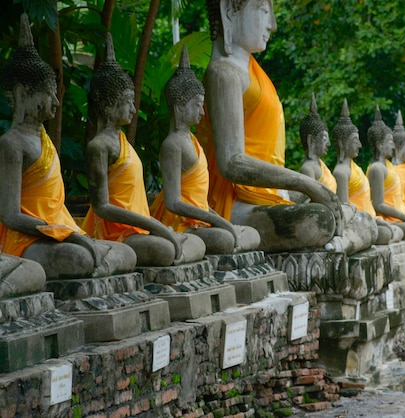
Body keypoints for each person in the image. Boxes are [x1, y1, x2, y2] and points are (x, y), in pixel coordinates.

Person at [199, 0, 343, 252]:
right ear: (230, 11)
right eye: (264, 11)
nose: (272, 25)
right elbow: (231, 162)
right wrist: (306, 183)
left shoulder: (252, 72)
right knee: (317, 221)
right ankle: (341, 242)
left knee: (349, 211)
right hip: (232, 201)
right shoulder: (224, 74)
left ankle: (344, 241)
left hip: (265, 195)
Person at [0, 14, 136, 280]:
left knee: (127, 254)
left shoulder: (44, 140)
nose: (55, 102)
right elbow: (10, 215)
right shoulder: (11, 143)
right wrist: (65, 233)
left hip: (61, 232)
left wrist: (70, 233)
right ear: (21, 94)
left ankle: (91, 263)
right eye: (48, 94)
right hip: (26, 239)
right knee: (79, 258)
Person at [83, 34, 205, 267]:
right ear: (108, 106)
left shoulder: (123, 143)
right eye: (127, 102)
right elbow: (102, 206)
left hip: (141, 228)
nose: (134, 108)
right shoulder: (99, 146)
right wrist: (154, 225)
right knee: (166, 250)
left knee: (193, 243)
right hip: (117, 233)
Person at [150, 45, 260, 254]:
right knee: (224, 239)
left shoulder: (191, 141)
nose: (202, 111)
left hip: (199, 220)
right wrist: (216, 221)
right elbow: (173, 202)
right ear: (179, 107)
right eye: (197, 105)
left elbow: (198, 201)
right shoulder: (172, 145)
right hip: (180, 223)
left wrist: (218, 219)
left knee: (252, 234)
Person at [297, 94, 377, 254]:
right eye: (324, 138)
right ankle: (340, 244)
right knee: (361, 220)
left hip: (336, 216)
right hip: (323, 220)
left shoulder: (322, 166)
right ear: (311, 141)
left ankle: (341, 242)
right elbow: (308, 206)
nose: (328, 144)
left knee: (368, 224)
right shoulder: (308, 169)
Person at [332, 99, 402, 245]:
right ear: (341, 144)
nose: (359, 144)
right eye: (355, 140)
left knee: (393, 231)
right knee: (387, 232)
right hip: (358, 222)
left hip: (370, 219)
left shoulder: (355, 168)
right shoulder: (341, 172)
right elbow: (345, 210)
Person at [366, 107, 405, 240]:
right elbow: (378, 204)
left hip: (399, 216)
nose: (393, 147)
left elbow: (400, 202)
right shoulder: (376, 168)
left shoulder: (389, 167)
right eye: (390, 142)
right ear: (379, 145)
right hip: (385, 218)